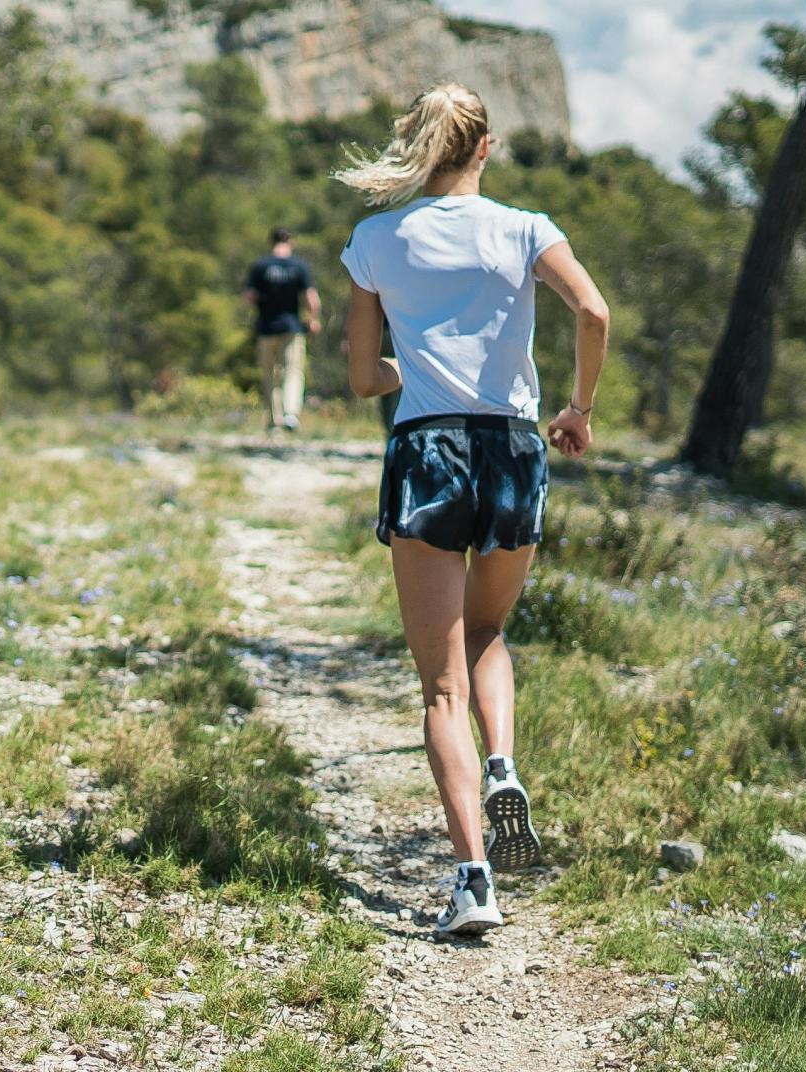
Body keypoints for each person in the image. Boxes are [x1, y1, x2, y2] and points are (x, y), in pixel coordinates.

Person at [334, 83, 609, 936]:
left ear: (415, 146)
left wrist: (408, 373)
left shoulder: (377, 240)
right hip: (514, 448)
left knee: (439, 684)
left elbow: (360, 375)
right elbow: (593, 310)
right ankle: (503, 763)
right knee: (489, 632)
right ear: (485, 147)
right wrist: (577, 411)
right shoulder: (527, 228)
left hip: (427, 452)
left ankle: (473, 881)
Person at [244, 227, 321, 431]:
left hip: (266, 327)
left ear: (271, 242)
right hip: (291, 327)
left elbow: (250, 297)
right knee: (293, 370)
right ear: (291, 242)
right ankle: (290, 413)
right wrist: (312, 320)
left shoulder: (260, 266)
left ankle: (273, 420)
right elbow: (312, 300)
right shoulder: (299, 267)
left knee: (269, 374)